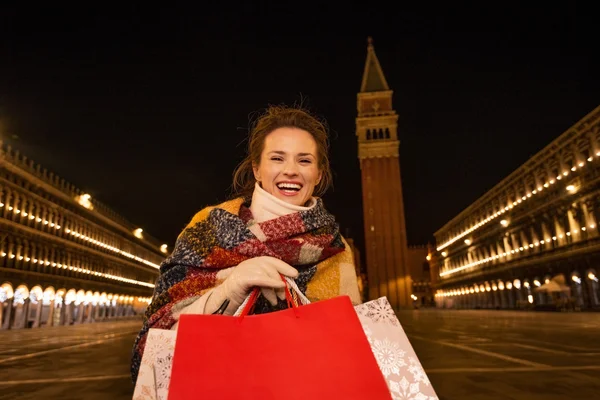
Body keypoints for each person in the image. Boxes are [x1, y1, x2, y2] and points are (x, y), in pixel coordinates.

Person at [130, 104, 361, 383]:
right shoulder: (206, 229)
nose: (291, 170)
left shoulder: (337, 249)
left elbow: (350, 354)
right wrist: (232, 288)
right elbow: (154, 352)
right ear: (257, 169)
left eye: (304, 160)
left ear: (319, 175)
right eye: (277, 158)